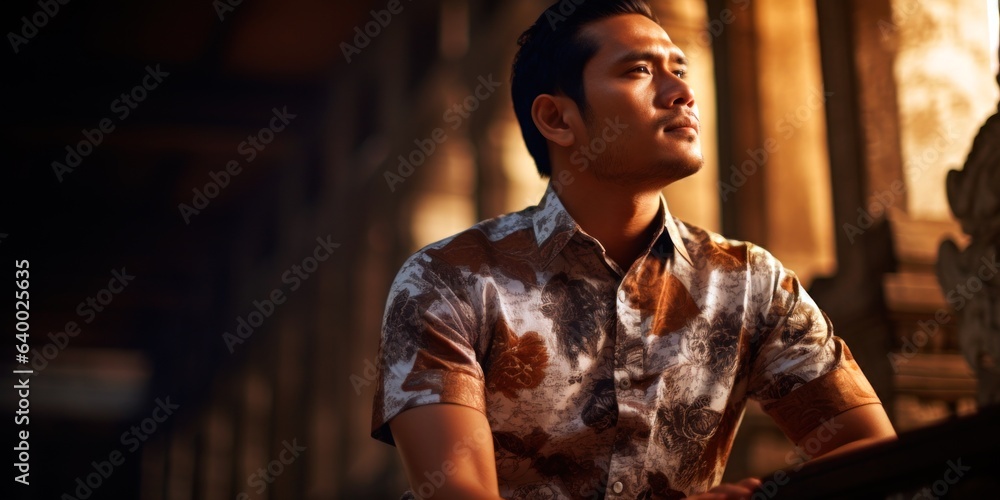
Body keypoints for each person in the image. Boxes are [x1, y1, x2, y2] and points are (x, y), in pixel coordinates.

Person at [371, 1, 896, 498]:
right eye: (638, 71)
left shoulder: (750, 281)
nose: (682, 93)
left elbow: (868, 452)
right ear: (557, 119)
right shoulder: (447, 280)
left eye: (680, 68)